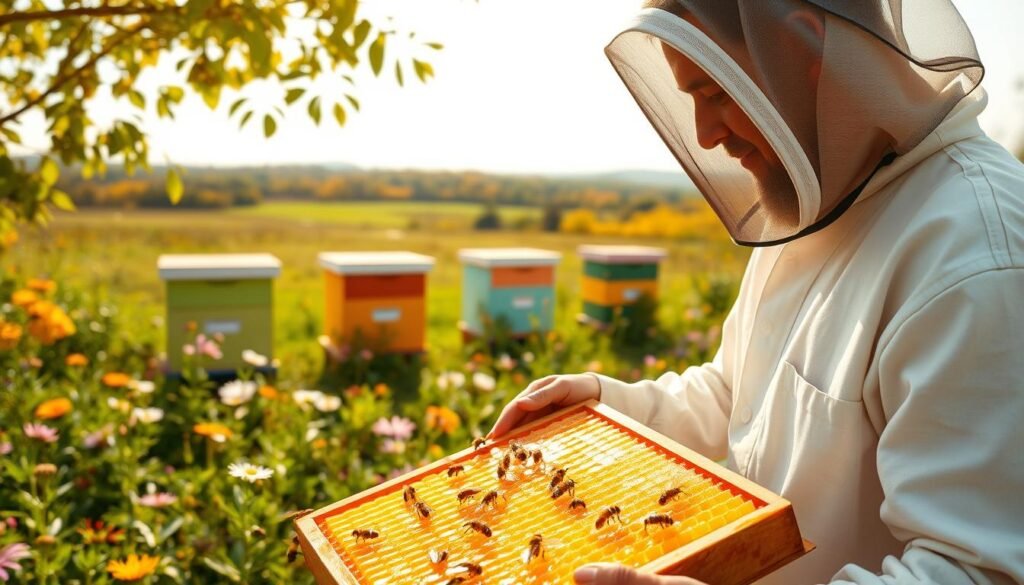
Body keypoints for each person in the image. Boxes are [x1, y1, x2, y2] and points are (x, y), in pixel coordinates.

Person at [489, 1, 1024, 584]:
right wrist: (602, 404)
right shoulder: (817, 190)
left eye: (715, 91)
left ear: (801, 48)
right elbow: (737, 393)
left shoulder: (976, 256)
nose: (704, 133)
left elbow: (975, 571)